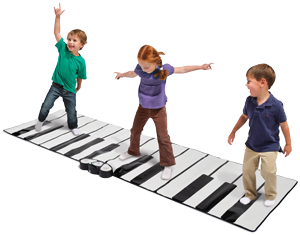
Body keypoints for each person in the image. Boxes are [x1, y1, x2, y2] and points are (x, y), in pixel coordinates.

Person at [114, 44, 213, 180]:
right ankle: (132, 151)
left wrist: (201, 67)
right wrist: (121, 75)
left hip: (159, 109)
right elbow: (132, 73)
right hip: (142, 107)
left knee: (163, 136)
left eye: (146, 67)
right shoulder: (141, 69)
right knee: (135, 130)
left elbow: (183, 69)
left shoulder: (164, 69)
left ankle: (167, 163)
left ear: (155, 62)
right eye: (141, 65)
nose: (143, 69)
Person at [228, 63, 292, 207]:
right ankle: (250, 193)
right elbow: (244, 117)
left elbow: (284, 125)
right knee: (247, 171)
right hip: (251, 145)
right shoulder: (249, 101)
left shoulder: (276, 105)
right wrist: (233, 131)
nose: (246, 84)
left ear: (263, 82)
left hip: (270, 146)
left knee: (268, 172)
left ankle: (270, 195)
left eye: (249, 81)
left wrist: (288, 143)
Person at [35, 3, 87, 136]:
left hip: (70, 90)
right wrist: (57, 17)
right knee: (46, 105)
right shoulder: (63, 49)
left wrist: (79, 86)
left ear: (81, 45)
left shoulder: (81, 61)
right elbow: (56, 32)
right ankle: (40, 120)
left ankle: (73, 126)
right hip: (56, 86)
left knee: (71, 110)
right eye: (69, 39)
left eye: (74, 40)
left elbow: (80, 75)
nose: (70, 42)